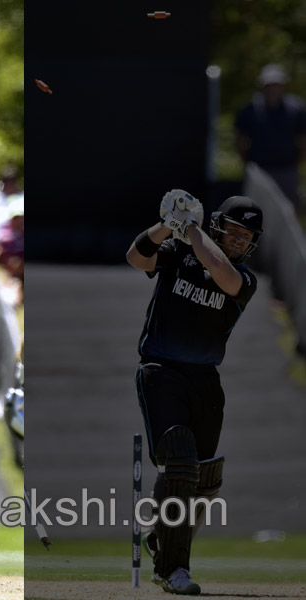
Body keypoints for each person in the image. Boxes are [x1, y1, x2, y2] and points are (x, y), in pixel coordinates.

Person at [125, 190, 264, 595]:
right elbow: (137, 258)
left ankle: (160, 539)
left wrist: (192, 231)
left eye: (246, 237)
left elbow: (223, 274)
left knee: (205, 481)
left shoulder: (245, 280)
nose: (238, 241)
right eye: (233, 232)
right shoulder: (180, 253)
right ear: (219, 227)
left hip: (206, 380)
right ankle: (173, 570)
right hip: (161, 371)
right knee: (181, 461)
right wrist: (168, 225)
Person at [234, 64, 306, 218]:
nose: (273, 89)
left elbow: (303, 137)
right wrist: (247, 164)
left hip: (287, 169)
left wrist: (297, 162)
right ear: (263, 86)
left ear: (283, 86)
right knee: (255, 210)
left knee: (292, 208)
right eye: (269, 85)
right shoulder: (251, 109)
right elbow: (240, 139)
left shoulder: (296, 108)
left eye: (277, 85)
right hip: (259, 170)